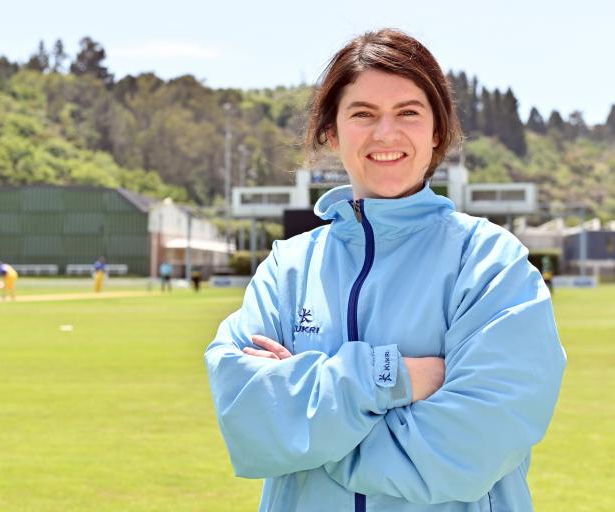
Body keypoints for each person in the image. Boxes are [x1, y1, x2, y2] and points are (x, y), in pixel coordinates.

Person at [205, 29, 566, 512]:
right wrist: (389, 376)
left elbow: (465, 452)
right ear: (331, 132)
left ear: (437, 130)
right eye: (363, 114)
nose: (386, 134)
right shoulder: (286, 269)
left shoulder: (490, 264)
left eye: (408, 113)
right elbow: (249, 418)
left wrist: (310, 433)